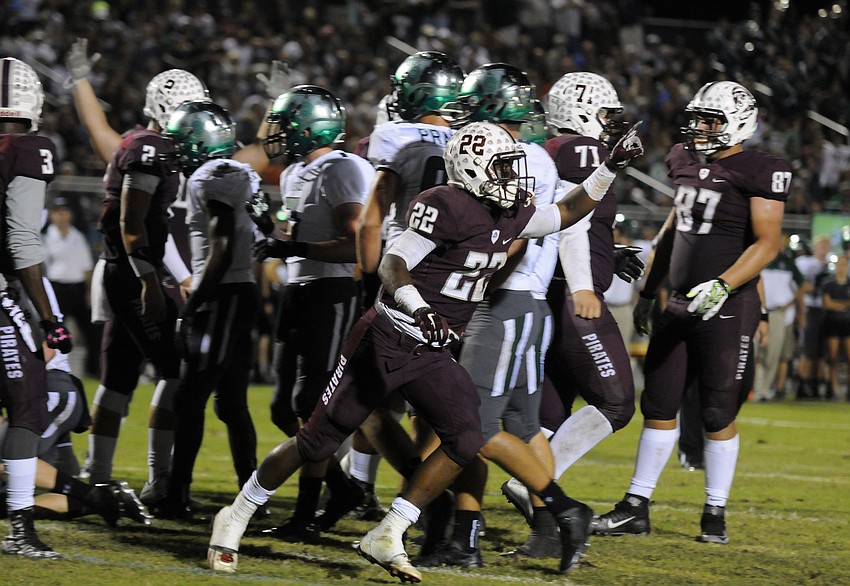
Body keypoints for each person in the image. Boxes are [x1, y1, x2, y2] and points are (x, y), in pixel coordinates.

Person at [207, 120, 644, 580]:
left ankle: (390, 531)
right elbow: (394, 264)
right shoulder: (444, 205)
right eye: (503, 168)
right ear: (474, 170)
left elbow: (567, 212)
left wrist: (611, 166)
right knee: (318, 440)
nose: (514, 178)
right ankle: (235, 515)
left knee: (466, 436)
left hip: (433, 352)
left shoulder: (509, 210)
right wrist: (421, 310)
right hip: (386, 339)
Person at [591, 81, 791, 545]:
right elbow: (674, 227)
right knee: (658, 402)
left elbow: (767, 243)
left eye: (711, 120)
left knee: (718, 410)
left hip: (727, 306)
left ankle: (714, 513)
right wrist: (648, 291)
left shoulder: (761, 169)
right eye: (698, 117)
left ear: (739, 123)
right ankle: (636, 505)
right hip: (678, 301)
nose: (700, 127)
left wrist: (725, 284)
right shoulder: (684, 158)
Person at [412, 61, 561, 568]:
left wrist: (471, 289)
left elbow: (510, 241)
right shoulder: (525, 153)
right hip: (520, 303)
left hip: (503, 302)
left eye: (474, 102)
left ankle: (468, 538)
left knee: (469, 425)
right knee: (522, 424)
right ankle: (553, 526)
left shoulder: (518, 157)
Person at [499, 71, 642, 559]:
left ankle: (542, 530)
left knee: (549, 421)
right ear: (581, 113)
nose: (610, 126)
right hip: (571, 300)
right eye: (605, 115)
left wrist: (611, 251)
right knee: (617, 402)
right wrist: (584, 283)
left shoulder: (551, 149)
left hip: (549, 298)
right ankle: (531, 484)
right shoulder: (582, 149)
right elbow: (570, 222)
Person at [252, 85, 374, 541]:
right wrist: (272, 233)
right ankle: (342, 490)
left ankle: (306, 514)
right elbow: (290, 231)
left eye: (285, 126)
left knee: (311, 404)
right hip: (299, 289)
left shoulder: (340, 167)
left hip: (333, 290)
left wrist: (294, 245)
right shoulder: (295, 173)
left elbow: (354, 241)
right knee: (283, 406)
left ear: (310, 128)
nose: (277, 135)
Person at [150, 100, 263, 517]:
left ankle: (176, 494)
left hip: (223, 295)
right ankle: (252, 499)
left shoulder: (208, 176)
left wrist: (193, 305)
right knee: (231, 403)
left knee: (192, 397)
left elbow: (221, 246)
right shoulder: (238, 173)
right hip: (239, 291)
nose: (177, 150)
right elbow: (266, 229)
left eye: (182, 142)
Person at [0, 56, 73, 559]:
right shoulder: (28, 147)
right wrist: (50, 320)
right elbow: (22, 239)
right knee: (27, 403)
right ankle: (21, 527)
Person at [42, 198, 99, 378]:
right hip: (57, 288)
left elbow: (87, 268)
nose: (62, 215)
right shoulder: (46, 238)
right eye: (58, 211)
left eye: (65, 211)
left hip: (78, 289)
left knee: (92, 331)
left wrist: (89, 291)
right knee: (54, 331)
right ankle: (51, 368)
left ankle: (93, 370)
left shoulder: (78, 236)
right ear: (52, 215)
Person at [821, 253, 850, 400]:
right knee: (833, 358)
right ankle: (834, 390)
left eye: (845, 264)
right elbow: (827, 304)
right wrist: (844, 304)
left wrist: (836, 304)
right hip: (832, 323)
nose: (842, 267)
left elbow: (832, 303)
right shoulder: (828, 283)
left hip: (847, 323)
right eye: (840, 264)